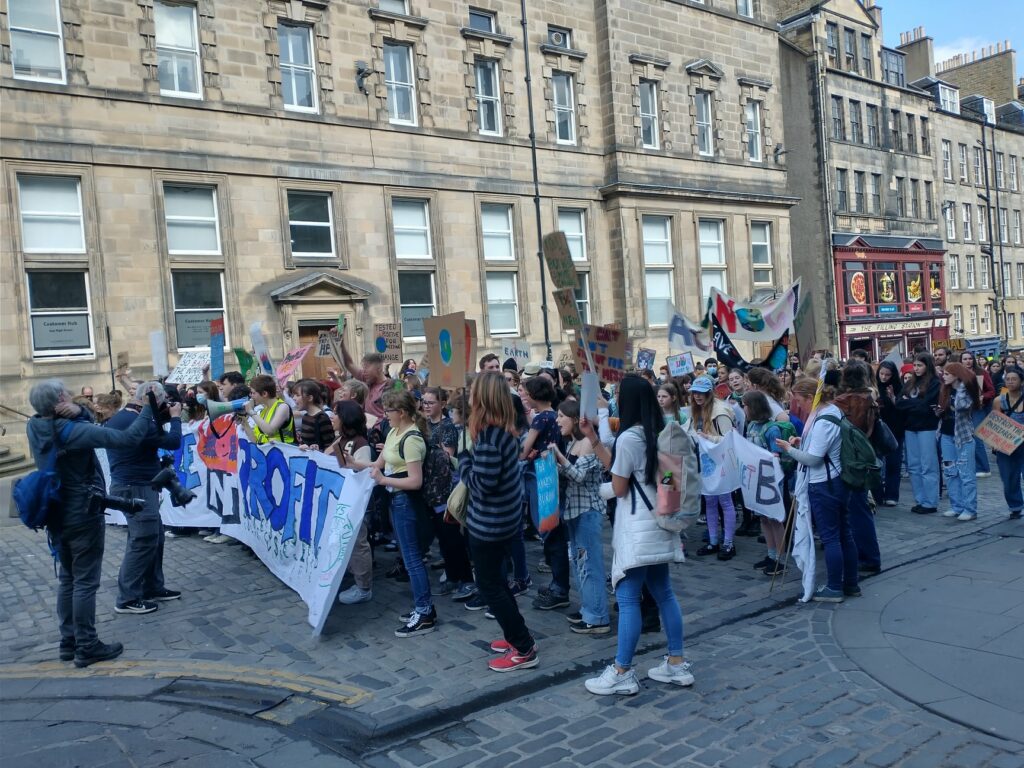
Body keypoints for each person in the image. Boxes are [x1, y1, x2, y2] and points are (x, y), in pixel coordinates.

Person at [27, 380, 158, 667]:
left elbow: (81, 424)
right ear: (60, 400)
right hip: (83, 513)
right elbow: (128, 439)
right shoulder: (73, 432)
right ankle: (87, 645)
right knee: (85, 582)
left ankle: (68, 641)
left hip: (57, 512)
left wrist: (80, 411)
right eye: (65, 394)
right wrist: (147, 409)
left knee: (68, 579)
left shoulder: (35, 425)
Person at [579, 375, 692, 694]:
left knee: (628, 598)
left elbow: (619, 484)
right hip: (661, 521)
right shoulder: (664, 431)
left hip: (637, 527)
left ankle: (622, 670)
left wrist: (604, 489)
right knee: (664, 593)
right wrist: (596, 440)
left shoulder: (630, 437)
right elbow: (637, 474)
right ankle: (676, 663)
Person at [461, 372, 538, 672]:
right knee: (499, 584)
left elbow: (481, 485)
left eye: (472, 392)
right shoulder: (501, 431)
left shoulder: (492, 438)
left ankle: (524, 648)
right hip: (500, 521)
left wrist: (464, 461)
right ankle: (516, 635)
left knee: (491, 586)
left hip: (490, 525)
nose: (468, 397)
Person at [776, 372, 860, 602]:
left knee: (832, 536)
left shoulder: (823, 418)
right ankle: (850, 583)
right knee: (844, 533)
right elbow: (822, 447)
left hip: (825, 483)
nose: (798, 405)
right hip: (836, 481)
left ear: (811, 397)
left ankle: (835, 587)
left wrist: (789, 449)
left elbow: (814, 458)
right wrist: (800, 441)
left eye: (800, 400)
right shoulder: (832, 412)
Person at [105, 382, 183, 615]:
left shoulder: (123, 417)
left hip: (135, 485)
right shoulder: (136, 422)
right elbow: (173, 442)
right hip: (135, 487)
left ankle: (152, 586)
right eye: (160, 403)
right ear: (153, 400)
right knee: (142, 541)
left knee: (154, 537)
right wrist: (176, 417)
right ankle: (127, 598)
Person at [364, 390, 436, 636]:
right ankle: (423, 607)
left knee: (412, 559)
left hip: (406, 501)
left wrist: (383, 480)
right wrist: (351, 463)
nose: (385, 416)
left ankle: (424, 610)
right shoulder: (394, 432)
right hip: (396, 500)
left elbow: (415, 481)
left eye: (389, 411)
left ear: (402, 412)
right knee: (409, 557)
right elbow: (379, 465)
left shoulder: (412, 438)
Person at [550, 400, 610, 633]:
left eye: (561, 416)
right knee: (579, 563)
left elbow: (578, 475)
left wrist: (558, 456)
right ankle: (589, 608)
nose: (557, 421)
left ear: (575, 419)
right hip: (573, 512)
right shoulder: (573, 442)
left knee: (590, 565)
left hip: (587, 512)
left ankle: (598, 617)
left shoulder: (588, 442)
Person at [832, 361, 882, 574]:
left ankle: (869, 556)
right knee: (859, 507)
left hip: (850, 456)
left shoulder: (843, 401)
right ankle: (867, 554)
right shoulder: (869, 398)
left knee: (857, 509)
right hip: (864, 452)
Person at [329, 401, 376, 605]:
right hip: (342, 502)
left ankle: (364, 587)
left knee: (358, 544)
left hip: (355, 504)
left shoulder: (360, 444)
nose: (332, 417)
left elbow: (363, 473)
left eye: (336, 414)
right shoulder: (340, 439)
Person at [688, 375, 738, 560]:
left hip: (722, 461)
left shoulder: (721, 411)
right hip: (707, 462)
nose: (697, 396)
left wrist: (708, 438)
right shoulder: (697, 410)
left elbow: (730, 439)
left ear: (710, 393)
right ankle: (714, 541)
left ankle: (728, 543)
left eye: (701, 393)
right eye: (694, 392)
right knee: (709, 501)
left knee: (725, 501)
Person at [741, 391, 789, 576]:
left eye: (745, 405)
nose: (743, 408)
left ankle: (780, 558)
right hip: (756, 479)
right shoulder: (752, 425)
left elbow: (776, 455)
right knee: (763, 518)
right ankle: (770, 554)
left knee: (775, 519)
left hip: (770, 480)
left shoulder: (771, 429)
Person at [897, 354, 941, 515]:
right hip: (910, 427)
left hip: (927, 428)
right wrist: (912, 403)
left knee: (928, 465)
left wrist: (909, 402)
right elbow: (899, 403)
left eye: (919, 365)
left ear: (927, 366)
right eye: (915, 365)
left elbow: (925, 406)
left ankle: (930, 502)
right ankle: (920, 499)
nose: (916, 368)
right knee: (914, 466)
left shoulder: (935, 383)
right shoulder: (910, 382)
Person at [938, 362, 981, 521]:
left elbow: (963, 406)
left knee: (966, 474)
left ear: (956, 375)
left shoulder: (965, 390)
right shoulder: (945, 389)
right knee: (950, 472)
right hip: (946, 434)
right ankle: (957, 506)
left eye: (947, 374)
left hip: (963, 437)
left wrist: (960, 386)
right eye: (943, 373)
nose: (944, 376)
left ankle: (970, 509)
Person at [993, 366, 1024, 519]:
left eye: (1014, 379)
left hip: (1023, 443)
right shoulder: (999, 400)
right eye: (1008, 379)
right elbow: (995, 422)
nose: (1010, 382)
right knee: (1008, 477)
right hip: (1005, 444)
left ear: (1021, 381)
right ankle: (1015, 505)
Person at [960, 351, 996, 479]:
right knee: (966, 437)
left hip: (978, 408)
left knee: (976, 436)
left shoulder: (981, 372)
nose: (968, 361)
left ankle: (983, 468)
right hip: (962, 409)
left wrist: (982, 397)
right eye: (965, 359)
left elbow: (991, 391)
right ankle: (970, 465)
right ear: (961, 361)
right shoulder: (958, 374)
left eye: (970, 358)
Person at [874, 360, 905, 507]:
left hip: (895, 428)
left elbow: (902, 409)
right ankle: (877, 494)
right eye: (882, 374)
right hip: (878, 429)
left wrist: (893, 399)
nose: (884, 377)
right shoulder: (874, 387)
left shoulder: (898, 388)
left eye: (887, 374)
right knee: (878, 463)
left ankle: (892, 495)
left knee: (894, 463)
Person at [339, 337, 390, 420]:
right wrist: (341, 344)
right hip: (368, 430)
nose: (364, 371)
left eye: (367, 367)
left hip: (383, 431)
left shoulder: (391, 386)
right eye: (363, 367)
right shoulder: (366, 379)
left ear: (379, 368)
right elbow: (349, 364)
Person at [238, 375, 296, 445]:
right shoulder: (263, 410)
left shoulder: (282, 407)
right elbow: (255, 440)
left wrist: (251, 412)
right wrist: (244, 423)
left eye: (253, 393)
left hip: (285, 453)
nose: (251, 396)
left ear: (264, 394)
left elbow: (270, 431)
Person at [295, 379, 335, 450]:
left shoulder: (322, 418)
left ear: (310, 398)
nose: (294, 398)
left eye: (297, 395)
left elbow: (329, 446)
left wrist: (311, 448)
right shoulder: (305, 417)